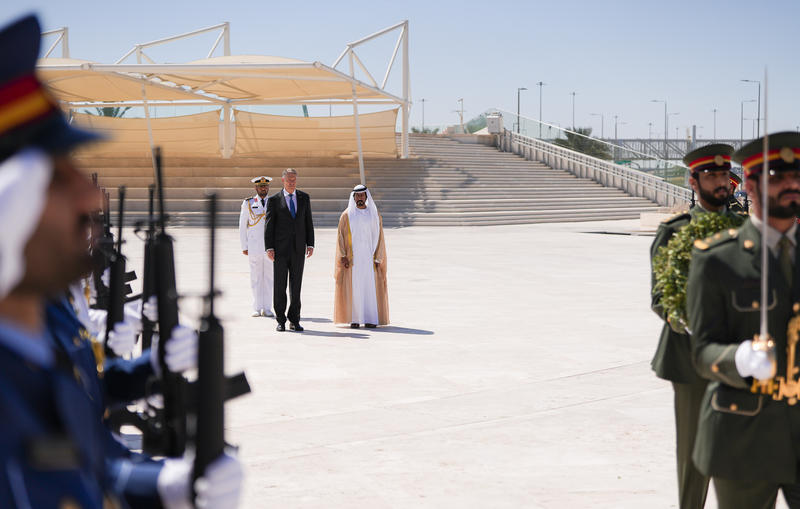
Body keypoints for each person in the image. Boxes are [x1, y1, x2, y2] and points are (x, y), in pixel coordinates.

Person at [0, 14, 242, 508]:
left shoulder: (46, 315)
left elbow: (83, 452)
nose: (93, 200)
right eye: (57, 180)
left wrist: (160, 488)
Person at [686, 132, 800, 508]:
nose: (792, 185)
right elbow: (702, 352)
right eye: (778, 177)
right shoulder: (717, 259)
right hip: (744, 436)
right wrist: (739, 359)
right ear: (749, 184)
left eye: (797, 175)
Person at [650, 143, 738, 509]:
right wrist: (695, 322)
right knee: (694, 455)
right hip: (690, 358)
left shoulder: (745, 228)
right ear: (693, 180)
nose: (720, 182)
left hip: (738, 358)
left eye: (724, 175)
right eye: (711, 175)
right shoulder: (675, 230)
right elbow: (660, 297)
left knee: (739, 454)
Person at [265, 168, 314, 332]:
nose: (292, 182)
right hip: (280, 250)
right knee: (280, 286)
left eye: (294, 179)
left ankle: (295, 319)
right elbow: (269, 226)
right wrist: (269, 247)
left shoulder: (304, 198)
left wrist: (310, 243)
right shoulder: (274, 200)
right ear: (283, 180)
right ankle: (281, 319)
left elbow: (308, 222)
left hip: (298, 249)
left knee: (296, 286)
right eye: (289, 179)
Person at [334, 185, 389, 328]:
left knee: (370, 288)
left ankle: (371, 319)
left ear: (366, 197)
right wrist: (343, 256)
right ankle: (355, 319)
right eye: (357, 196)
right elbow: (340, 237)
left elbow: (380, 237)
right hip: (353, 260)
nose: (360, 198)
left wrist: (378, 257)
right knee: (355, 288)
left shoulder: (374, 214)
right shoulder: (347, 215)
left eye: (362, 195)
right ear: (354, 197)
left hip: (370, 259)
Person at [239, 175, 274, 317]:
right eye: (261, 186)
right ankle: (256, 306)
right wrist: (244, 245)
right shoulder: (248, 202)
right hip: (254, 245)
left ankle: (267, 308)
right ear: (256, 188)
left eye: (265, 186)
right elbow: (242, 225)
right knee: (255, 277)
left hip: (271, 246)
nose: (263, 188)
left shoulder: (274, 201)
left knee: (269, 277)